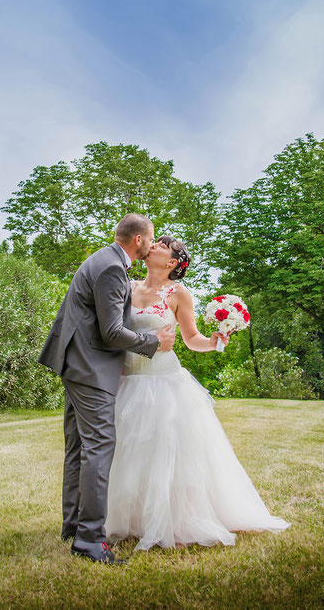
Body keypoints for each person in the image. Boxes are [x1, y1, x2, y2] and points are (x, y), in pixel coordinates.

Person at [105, 236, 290, 551]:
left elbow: (191, 339)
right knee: (126, 452)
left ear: (172, 262)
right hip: (128, 381)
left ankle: (172, 519)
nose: (155, 245)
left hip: (164, 382)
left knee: (164, 450)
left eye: (163, 245)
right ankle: (129, 518)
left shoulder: (179, 294)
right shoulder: (128, 285)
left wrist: (217, 340)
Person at [38, 213, 176, 564]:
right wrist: (152, 340)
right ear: (139, 241)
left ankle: (73, 525)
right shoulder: (114, 270)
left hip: (75, 363)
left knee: (79, 448)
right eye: (152, 238)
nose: (153, 243)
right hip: (90, 367)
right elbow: (111, 332)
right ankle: (89, 539)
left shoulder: (103, 258)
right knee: (99, 447)